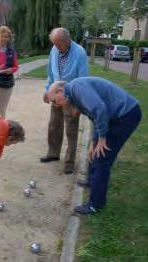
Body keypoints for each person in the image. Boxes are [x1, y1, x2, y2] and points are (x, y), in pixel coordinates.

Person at [48, 77, 142, 215]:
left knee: (102, 157)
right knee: (94, 152)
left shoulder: (77, 88)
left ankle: (95, 204)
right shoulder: (74, 95)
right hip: (115, 116)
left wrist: (102, 138)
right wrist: (94, 141)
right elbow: (95, 117)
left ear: (60, 91)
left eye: (55, 101)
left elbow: (99, 109)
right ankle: (92, 182)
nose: (58, 105)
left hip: (126, 115)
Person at [41, 27, 88, 174]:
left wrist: (78, 104)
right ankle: (53, 153)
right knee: (54, 125)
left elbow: (83, 79)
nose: (55, 47)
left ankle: (69, 161)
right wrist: (47, 90)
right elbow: (50, 73)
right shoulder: (54, 50)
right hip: (56, 93)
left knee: (71, 129)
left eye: (58, 43)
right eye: (54, 43)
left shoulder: (79, 52)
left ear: (67, 40)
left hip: (72, 96)